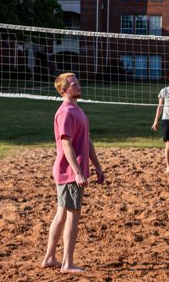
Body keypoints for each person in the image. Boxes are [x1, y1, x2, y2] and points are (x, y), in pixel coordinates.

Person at [41, 73, 104, 274]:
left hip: (72, 171)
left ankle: (50, 258)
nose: (78, 85)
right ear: (64, 90)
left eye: (77, 82)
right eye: (73, 84)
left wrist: (97, 165)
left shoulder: (76, 109)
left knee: (61, 214)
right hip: (69, 172)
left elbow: (87, 140)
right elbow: (66, 144)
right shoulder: (65, 113)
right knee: (72, 216)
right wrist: (77, 172)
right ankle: (67, 263)